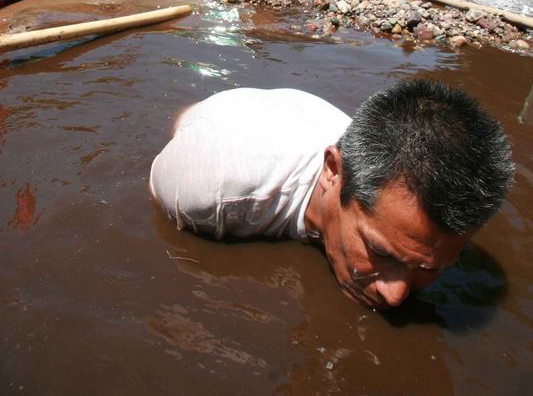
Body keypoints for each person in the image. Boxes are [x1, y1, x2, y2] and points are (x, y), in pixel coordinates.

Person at [150, 80, 513, 310]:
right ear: (332, 172)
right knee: (184, 118)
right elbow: (154, 194)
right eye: (381, 252)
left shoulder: (397, 197)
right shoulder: (214, 192)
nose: (396, 294)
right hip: (225, 116)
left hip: (303, 113)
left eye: (429, 268)